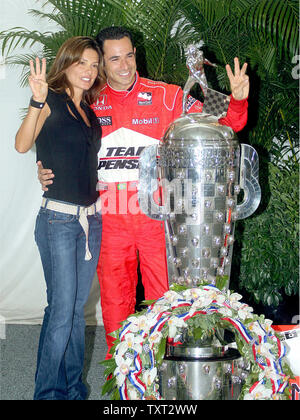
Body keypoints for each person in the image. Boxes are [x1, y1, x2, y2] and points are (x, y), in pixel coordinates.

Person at [38, 26, 250, 358]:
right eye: (114, 59)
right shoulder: (88, 100)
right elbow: (54, 133)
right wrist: (43, 164)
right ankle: (124, 382)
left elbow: (224, 123)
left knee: (165, 304)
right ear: (103, 64)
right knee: (115, 307)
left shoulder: (166, 95)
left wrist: (237, 99)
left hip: (156, 220)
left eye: (130, 56)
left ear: (137, 55)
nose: (124, 66)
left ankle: (163, 379)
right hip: (106, 221)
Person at [15, 36, 103, 399]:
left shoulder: (91, 111)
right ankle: (49, 393)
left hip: (91, 221)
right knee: (61, 309)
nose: (89, 70)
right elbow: (23, 144)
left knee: (76, 311)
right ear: (66, 63)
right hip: (58, 222)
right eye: (81, 62)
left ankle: (73, 388)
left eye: (94, 64)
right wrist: (36, 99)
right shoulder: (49, 100)